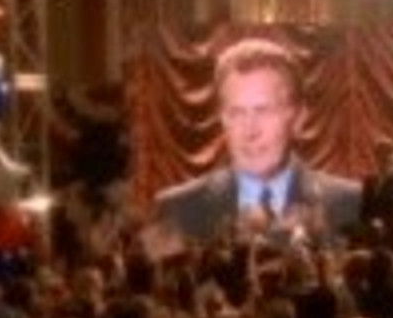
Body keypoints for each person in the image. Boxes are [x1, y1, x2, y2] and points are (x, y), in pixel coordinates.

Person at [151, 37, 361, 242]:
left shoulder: (352, 205)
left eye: (263, 111)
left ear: (298, 118)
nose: (250, 131)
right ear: (223, 120)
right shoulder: (175, 210)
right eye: (237, 113)